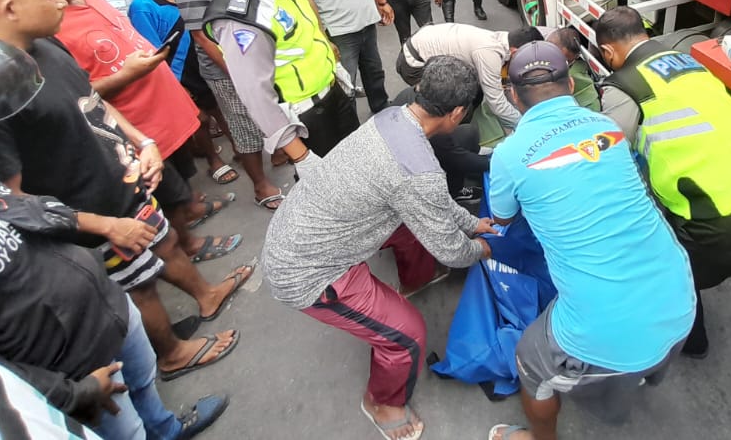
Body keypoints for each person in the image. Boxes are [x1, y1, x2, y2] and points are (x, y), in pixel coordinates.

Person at [0, 0, 247, 382]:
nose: (63, 0)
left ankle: (206, 295)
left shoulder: (46, 45)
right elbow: (12, 205)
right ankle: (171, 353)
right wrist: (103, 225)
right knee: (139, 285)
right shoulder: (3, 92)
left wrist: (141, 141)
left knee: (165, 242)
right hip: (86, 212)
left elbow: (90, 98)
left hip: (121, 180)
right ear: (10, 7)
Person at [263, 56, 495, 440]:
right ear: (457, 113)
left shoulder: (392, 118)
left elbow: (430, 202)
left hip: (308, 224)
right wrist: (481, 248)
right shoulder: (419, 174)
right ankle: (383, 403)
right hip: (309, 271)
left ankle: (416, 278)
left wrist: (471, 224)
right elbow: (452, 250)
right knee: (405, 336)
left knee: (413, 220)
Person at [487, 41, 696, 440]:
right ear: (569, 85)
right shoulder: (605, 126)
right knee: (646, 336)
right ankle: (644, 374)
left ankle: (540, 437)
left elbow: (502, 218)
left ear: (512, 95)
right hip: (680, 297)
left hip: (607, 328)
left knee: (529, 361)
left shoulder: (509, 154)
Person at [32, 0, 242, 265]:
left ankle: (190, 209)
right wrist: (127, 76)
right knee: (160, 191)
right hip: (135, 121)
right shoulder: (47, 26)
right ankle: (187, 244)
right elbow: (78, 94)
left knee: (180, 174)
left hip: (160, 109)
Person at [594, 6, 731, 357]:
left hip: (726, 226)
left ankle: (688, 344)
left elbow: (610, 156)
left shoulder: (623, 87)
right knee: (681, 257)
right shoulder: (687, 60)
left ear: (608, 53)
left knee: (662, 271)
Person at [0, 184, 229, 440]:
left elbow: (31, 207)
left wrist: (103, 228)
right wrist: (75, 394)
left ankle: (167, 430)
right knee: (128, 433)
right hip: (70, 363)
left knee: (143, 382)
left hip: (106, 304)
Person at [201, 0, 360, 164]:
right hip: (308, 117)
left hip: (332, 94)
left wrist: (327, 50)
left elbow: (304, 27)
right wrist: (300, 155)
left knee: (359, 168)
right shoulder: (243, 18)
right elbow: (256, 94)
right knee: (336, 192)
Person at [173, 0, 285, 210]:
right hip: (225, 70)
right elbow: (201, 37)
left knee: (269, 111)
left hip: (257, 53)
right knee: (243, 125)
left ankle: (277, 150)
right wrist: (238, 72)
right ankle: (261, 185)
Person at [129, 0, 240, 187]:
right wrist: (176, 85)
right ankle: (214, 160)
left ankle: (240, 147)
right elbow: (153, 50)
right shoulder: (143, 7)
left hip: (204, 62)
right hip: (178, 73)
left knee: (221, 110)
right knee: (197, 119)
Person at [397, 23, 542, 131]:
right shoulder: (489, 53)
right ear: (515, 51)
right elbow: (497, 104)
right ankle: (451, 142)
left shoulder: (503, 38)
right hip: (413, 64)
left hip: (421, 44)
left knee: (474, 91)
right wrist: (527, 125)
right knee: (452, 107)